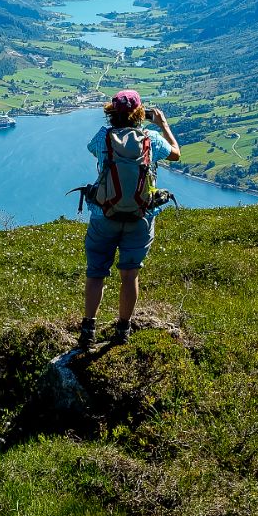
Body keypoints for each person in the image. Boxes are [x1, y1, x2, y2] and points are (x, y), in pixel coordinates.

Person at [79, 89, 180, 350]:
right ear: (139, 113)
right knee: (130, 274)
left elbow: (93, 151)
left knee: (95, 273)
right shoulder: (152, 139)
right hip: (141, 217)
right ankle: (123, 329)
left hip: (104, 215)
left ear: (111, 111)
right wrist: (162, 124)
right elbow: (176, 154)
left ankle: (88, 329)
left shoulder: (102, 138)